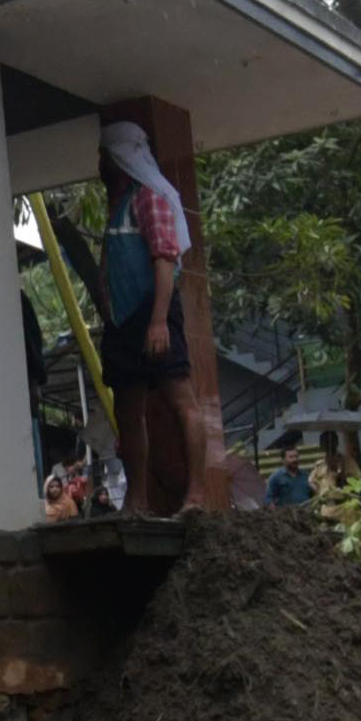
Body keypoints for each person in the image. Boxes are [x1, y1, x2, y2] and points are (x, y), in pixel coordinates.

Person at [96, 118, 236, 514]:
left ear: (118, 159)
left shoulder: (148, 199)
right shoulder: (119, 206)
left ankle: (195, 495)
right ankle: (137, 500)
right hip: (123, 322)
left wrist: (158, 320)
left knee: (180, 399)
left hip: (153, 312)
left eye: (103, 157)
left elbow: (164, 259)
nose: (100, 167)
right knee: (128, 406)